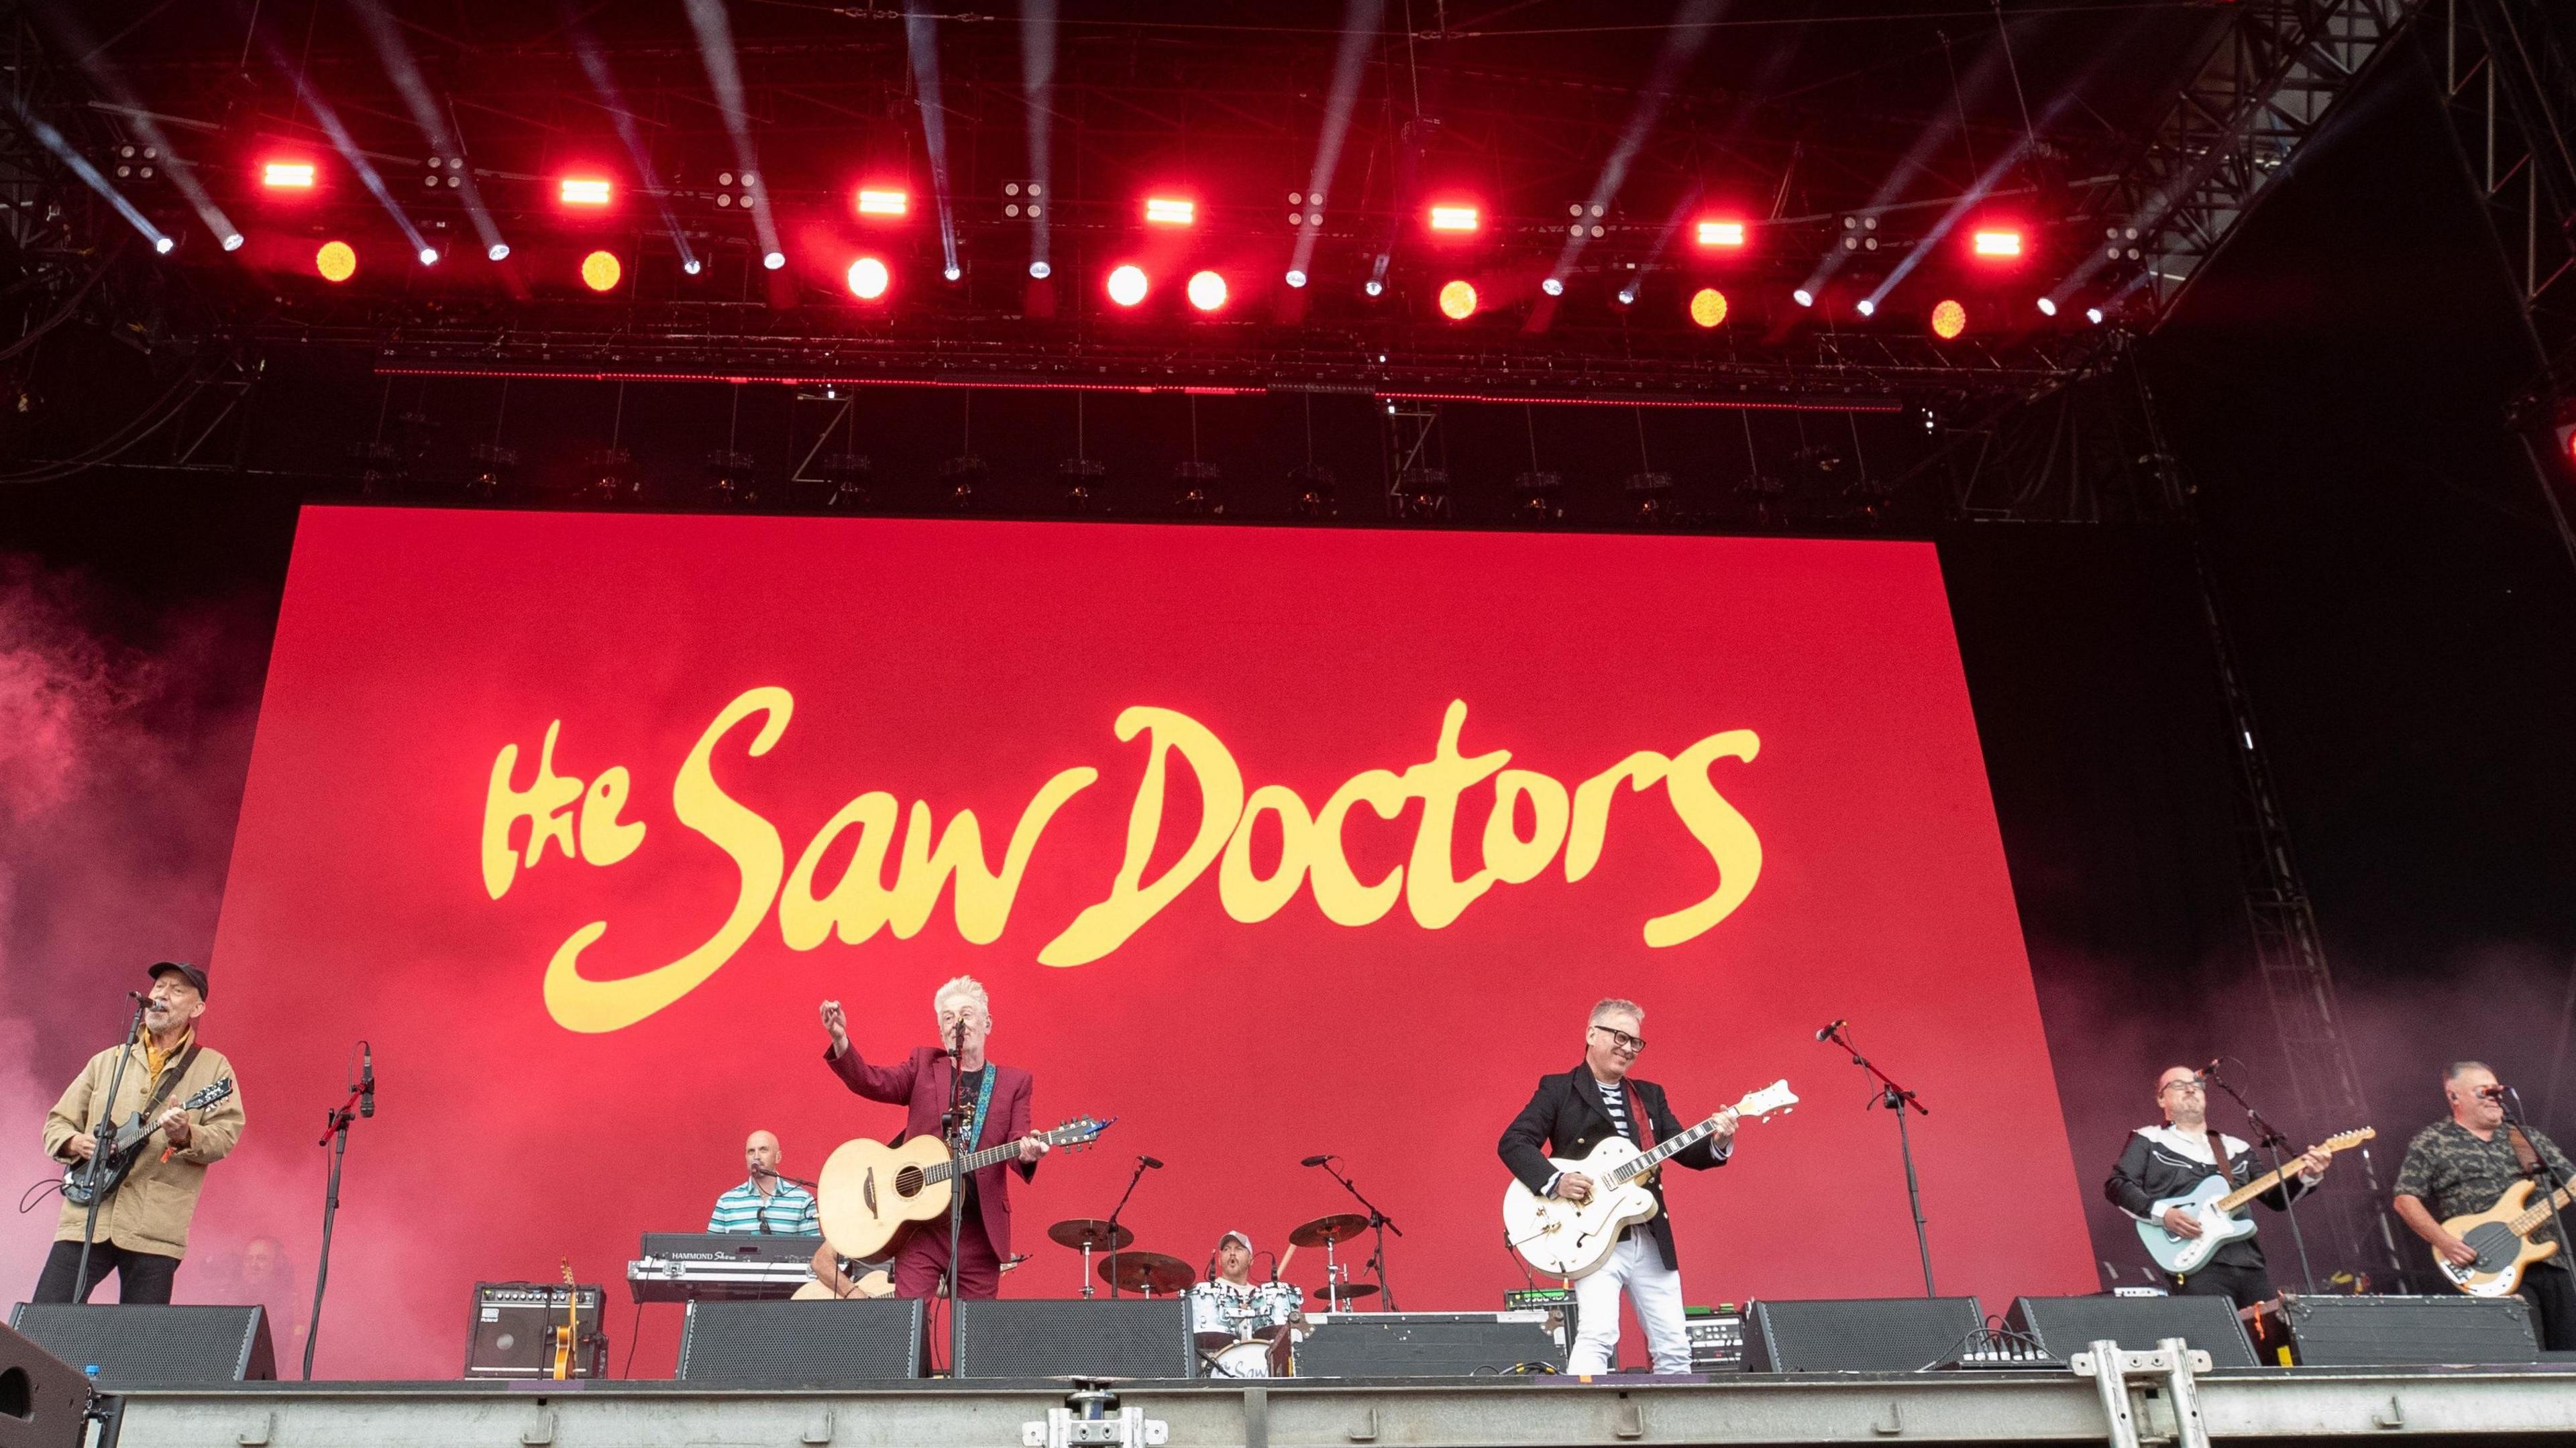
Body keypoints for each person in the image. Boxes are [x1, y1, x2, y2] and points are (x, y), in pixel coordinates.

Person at [1497, 998, 1735, 1374]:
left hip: (1650, 1233)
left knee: (1674, 1345)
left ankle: (1677, 1432)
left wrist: (1718, 1140)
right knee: (1598, 1337)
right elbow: (1514, 1142)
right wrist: (1557, 1181)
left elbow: (1685, 1151)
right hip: (1593, 1234)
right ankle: (1585, 1428)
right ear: (1592, 1034)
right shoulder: (1559, 1089)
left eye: (1636, 1043)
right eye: (1620, 1037)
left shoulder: (1650, 1096)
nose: (1628, 1049)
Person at [820, 975, 1046, 1300]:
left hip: (978, 1229)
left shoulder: (1015, 1082)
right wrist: (841, 1040)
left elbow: (1018, 1140)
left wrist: (1027, 1152)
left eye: (967, 1014)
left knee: (976, 1336)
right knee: (910, 1327)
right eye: (949, 1018)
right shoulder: (924, 1066)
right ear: (941, 1030)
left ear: (988, 1023)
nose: (958, 1023)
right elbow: (872, 1081)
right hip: (920, 1227)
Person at [35, 962, 248, 1304]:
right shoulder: (108, 1061)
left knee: (138, 1341)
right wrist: (75, 1141)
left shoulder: (213, 1067)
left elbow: (225, 1135)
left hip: (155, 1225)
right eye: (159, 986)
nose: (163, 994)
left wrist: (185, 1134)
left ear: (197, 1008)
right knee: (44, 1321)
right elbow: (57, 1123)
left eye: (177, 990)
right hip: (88, 1212)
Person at [2104, 1066, 2331, 1308]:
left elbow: (2275, 1198)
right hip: (2192, 1263)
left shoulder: (2235, 1147)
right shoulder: (2149, 1139)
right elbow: (2117, 1185)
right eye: (2178, 1085)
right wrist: (2165, 1215)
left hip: (2248, 1262)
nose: (2190, 1088)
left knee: (2267, 1338)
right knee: (2216, 1341)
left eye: (2196, 1084)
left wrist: (2307, 1176)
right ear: (2162, 1099)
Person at [2393, 1060, 2576, 1350]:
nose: (2494, 1098)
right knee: (2524, 1358)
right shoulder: (2433, 1141)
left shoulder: (2524, 1137)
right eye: (2483, 1092)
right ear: (2454, 1096)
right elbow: (2405, 1199)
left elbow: (2570, 1182)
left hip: (2552, 1262)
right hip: (2489, 1266)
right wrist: (2445, 1242)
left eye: (2496, 1091)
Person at [708, 1130, 820, 1235]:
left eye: (763, 1150)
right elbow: (710, 1250)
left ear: (778, 1157)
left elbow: (813, 1251)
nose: (756, 1157)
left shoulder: (802, 1200)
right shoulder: (726, 1202)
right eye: (751, 1151)